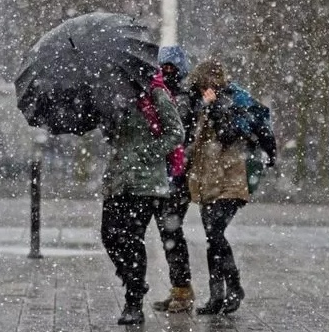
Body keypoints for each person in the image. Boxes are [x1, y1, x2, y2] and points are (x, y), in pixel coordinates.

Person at [186, 59, 276, 315]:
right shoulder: (203, 103)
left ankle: (234, 287)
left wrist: (215, 108)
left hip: (231, 178)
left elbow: (228, 134)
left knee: (215, 234)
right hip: (208, 179)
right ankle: (217, 296)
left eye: (204, 84)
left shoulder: (231, 101)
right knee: (212, 239)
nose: (202, 89)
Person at [100, 69, 185, 325]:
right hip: (118, 180)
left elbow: (176, 132)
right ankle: (133, 280)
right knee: (109, 235)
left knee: (132, 239)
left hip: (146, 183)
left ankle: (133, 301)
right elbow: (116, 137)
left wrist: (149, 152)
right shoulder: (114, 97)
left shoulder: (156, 94)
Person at [150, 45, 198, 313]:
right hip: (164, 176)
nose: (167, 72)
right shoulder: (162, 94)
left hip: (176, 177)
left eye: (172, 68)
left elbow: (178, 133)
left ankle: (182, 290)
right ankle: (179, 288)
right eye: (163, 67)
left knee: (171, 232)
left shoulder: (182, 98)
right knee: (168, 233)